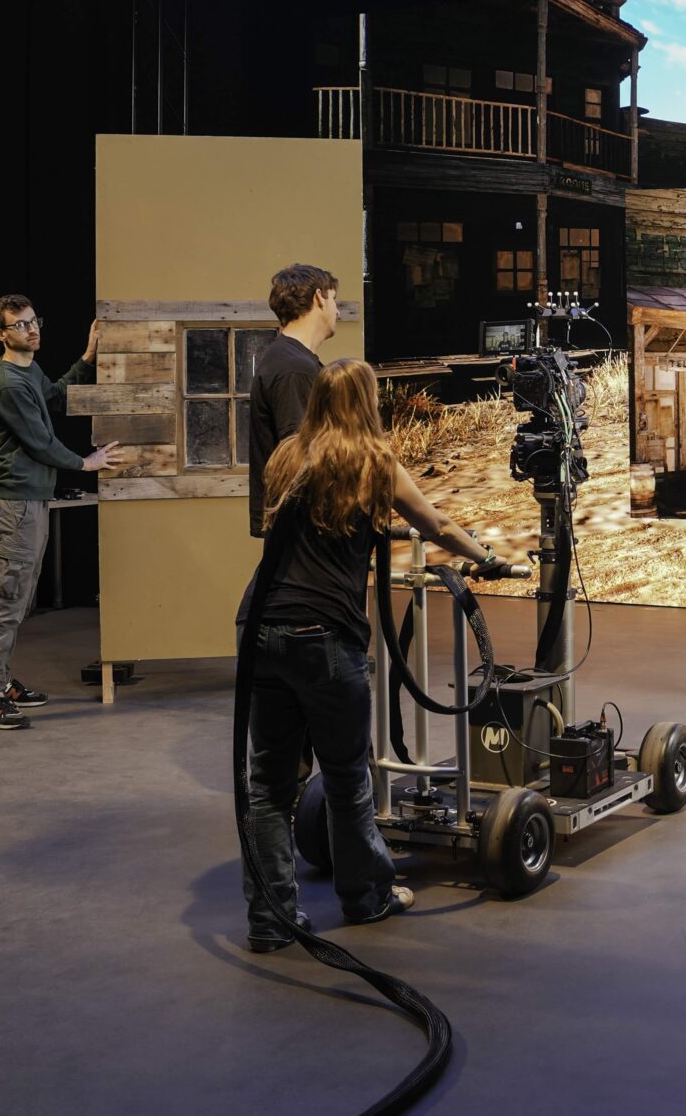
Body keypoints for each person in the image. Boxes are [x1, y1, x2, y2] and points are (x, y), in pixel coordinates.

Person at [238, 358, 517, 950]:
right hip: (323, 634)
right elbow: (435, 521)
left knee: (267, 786)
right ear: (364, 403)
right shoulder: (371, 462)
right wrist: (485, 555)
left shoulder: (288, 455)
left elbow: (298, 525)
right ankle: (365, 899)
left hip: (261, 627)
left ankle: (268, 920)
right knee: (347, 777)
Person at [0, 295, 114, 731]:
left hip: (29, 501)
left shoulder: (27, 372)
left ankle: (1, 683)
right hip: (15, 505)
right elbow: (39, 441)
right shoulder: (7, 384)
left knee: (18, 599)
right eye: (21, 325)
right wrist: (85, 463)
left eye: (35, 322)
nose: (32, 331)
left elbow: (54, 396)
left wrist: (87, 358)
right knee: (6, 600)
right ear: (1, 333)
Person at [250, 263, 342, 542]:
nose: (337, 311)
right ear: (318, 298)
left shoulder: (291, 359)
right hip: (303, 536)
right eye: (334, 300)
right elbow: (302, 459)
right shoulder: (294, 368)